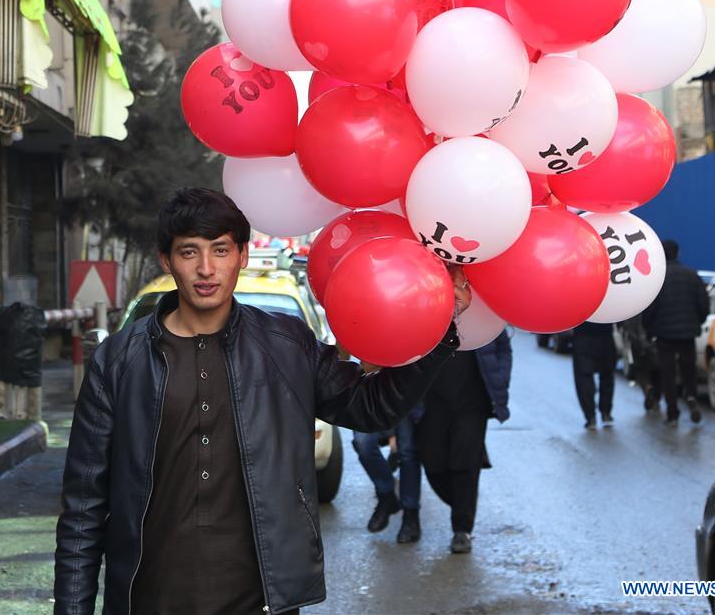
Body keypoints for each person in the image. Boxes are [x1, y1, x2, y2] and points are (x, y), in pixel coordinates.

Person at [54, 188, 467, 615]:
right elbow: (83, 511)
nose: (206, 268)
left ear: (243, 255)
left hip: (262, 603)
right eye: (189, 252)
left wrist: (441, 330)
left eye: (220, 250)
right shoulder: (118, 362)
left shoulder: (287, 346)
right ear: (166, 260)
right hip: (148, 602)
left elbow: (371, 407)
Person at [417, 288, 512, 556]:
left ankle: (462, 529)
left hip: (473, 401)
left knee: (466, 466)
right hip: (432, 402)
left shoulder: (484, 309)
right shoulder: (425, 306)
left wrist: (500, 380)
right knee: (433, 464)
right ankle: (461, 504)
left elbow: (503, 348)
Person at [642, 239, 709, 426]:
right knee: (689, 369)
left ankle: (672, 413)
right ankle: (691, 397)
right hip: (688, 333)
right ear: (678, 253)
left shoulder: (656, 279)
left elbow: (649, 308)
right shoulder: (691, 275)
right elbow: (703, 303)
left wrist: (649, 330)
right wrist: (697, 322)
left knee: (668, 374)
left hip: (664, 335)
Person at [352, 405, 423, 543]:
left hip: (405, 397)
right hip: (367, 396)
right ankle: (386, 495)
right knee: (363, 443)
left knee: (407, 452)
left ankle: (411, 514)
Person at [571, 320, 617, 430]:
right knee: (607, 375)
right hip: (605, 335)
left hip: (583, 336)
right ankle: (606, 413)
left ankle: (590, 417)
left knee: (584, 377)